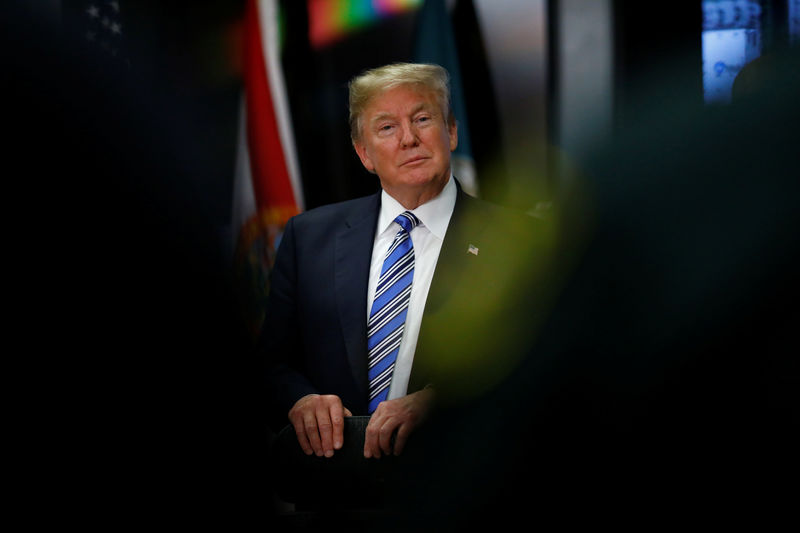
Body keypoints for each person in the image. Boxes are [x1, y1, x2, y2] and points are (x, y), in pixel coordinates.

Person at [261, 63, 550, 466]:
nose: (409, 139)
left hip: (458, 482)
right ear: (364, 154)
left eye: (422, 119)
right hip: (332, 493)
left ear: (450, 132)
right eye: (387, 128)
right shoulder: (308, 238)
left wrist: (440, 403)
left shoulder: (516, 240)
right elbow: (271, 365)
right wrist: (300, 400)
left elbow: (544, 367)